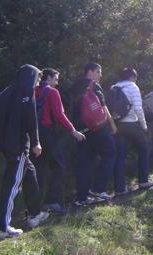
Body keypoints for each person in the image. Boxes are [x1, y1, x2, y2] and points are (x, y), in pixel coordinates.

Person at [0, 65, 49, 241]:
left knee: (30, 173)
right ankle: (0, 227)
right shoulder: (27, 93)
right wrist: (36, 143)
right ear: (32, 77)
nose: (38, 82)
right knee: (11, 186)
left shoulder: (10, 92)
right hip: (18, 148)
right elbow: (31, 121)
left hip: (8, 146)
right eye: (38, 78)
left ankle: (35, 214)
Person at [34, 68, 86, 214]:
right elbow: (59, 114)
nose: (57, 83)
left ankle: (34, 205)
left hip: (34, 134)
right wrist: (73, 130)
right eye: (56, 79)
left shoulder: (33, 91)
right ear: (48, 78)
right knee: (59, 166)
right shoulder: (52, 92)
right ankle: (51, 201)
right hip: (48, 133)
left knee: (39, 169)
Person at [70, 62, 117, 206]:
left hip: (80, 131)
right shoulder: (94, 85)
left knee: (85, 163)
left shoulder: (74, 86)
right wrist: (112, 124)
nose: (100, 74)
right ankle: (98, 188)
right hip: (97, 128)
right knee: (110, 153)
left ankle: (81, 198)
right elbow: (103, 107)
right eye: (98, 71)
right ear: (89, 71)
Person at [113, 68, 153, 193]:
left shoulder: (114, 87)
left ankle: (120, 188)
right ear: (132, 77)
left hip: (118, 125)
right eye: (135, 78)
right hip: (132, 124)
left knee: (120, 156)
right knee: (144, 148)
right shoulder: (133, 87)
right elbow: (138, 108)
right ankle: (143, 181)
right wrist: (144, 126)